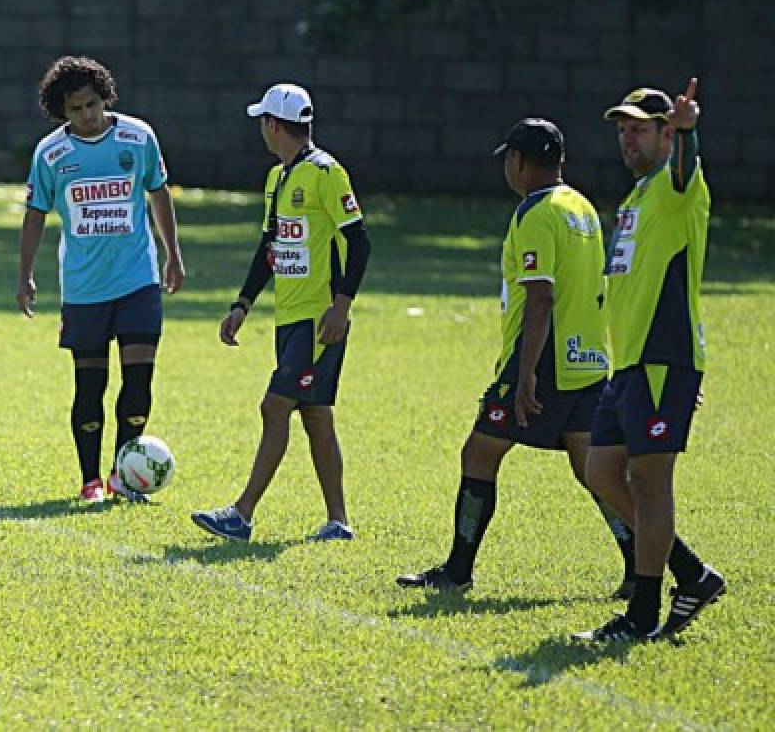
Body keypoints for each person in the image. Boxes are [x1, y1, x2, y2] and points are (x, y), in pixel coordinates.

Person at [395, 118, 636, 596]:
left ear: (519, 162)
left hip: (542, 358)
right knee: (595, 470)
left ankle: (458, 572)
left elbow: (540, 298)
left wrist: (524, 374)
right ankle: (641, 568)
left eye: (509, 158)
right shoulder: (582, 207)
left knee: (479, 452)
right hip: (586, 357)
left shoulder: (536, 212)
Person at [574, 79, 725, 643]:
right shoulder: (636, 197)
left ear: (666, 133)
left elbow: (686, 168)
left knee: (648, 478)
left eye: (639, 129)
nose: (627, 139)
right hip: (631, 362)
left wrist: (687, 132)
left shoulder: (678, 185)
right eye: (622, 130)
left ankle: (641, 614)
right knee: (602, 470)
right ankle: (691, 573)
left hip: (663, 357)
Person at [190, 83, 371, 542]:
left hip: (317, 319)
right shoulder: (278, 178)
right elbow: (270, 248)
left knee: (274, 406)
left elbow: (359, 241)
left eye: (261, 122)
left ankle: (242, 514)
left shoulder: (327, 174)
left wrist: (341, 306)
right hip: (288, 318)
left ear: (273, 124)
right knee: (315, 415)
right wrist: (242, 304)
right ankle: (339, 521)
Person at [16, 55, 184, 504]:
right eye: (75, 109)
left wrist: (172, 255)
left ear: (104, 97)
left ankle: (122, 477)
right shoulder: (51, 154)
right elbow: (35, 215)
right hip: (84, 287)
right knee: (90, 385)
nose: (87, 116)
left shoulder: (138, 136)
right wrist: (25, 274)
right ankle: (91, 479)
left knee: (139, 380)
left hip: (138, 280)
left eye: (92, 104)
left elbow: (159, 193)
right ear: (61, 111)